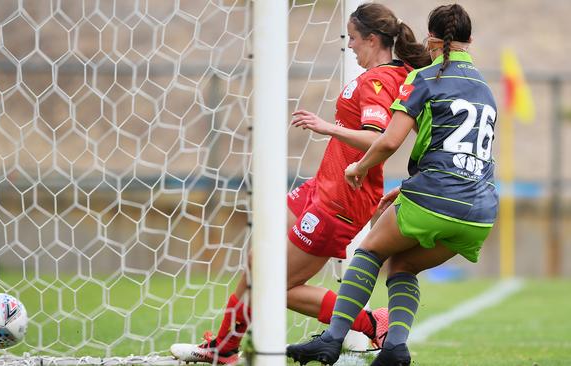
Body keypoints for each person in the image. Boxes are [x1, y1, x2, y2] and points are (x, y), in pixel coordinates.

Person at [170, 3, 431, 364]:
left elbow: (378, 139)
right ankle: (225, 348)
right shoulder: (386, 74)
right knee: (257, 260)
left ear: (372, 39)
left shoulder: (379, 80)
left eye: (354, 39)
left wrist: (327, 127)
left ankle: (372, 322)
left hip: (341, 199)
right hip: (321, 187)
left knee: (275, 286)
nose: (350, 46)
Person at [286, 4, 498, 366]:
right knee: (402, 266)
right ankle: (395, 348)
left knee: (369, 252)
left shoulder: (424, 78)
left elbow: (387, 141)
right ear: (471, 41)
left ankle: (333, 339)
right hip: (480, 209)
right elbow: (461, 153)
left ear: (432, 40)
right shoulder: (485, 89)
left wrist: (357, 168)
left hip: (436, 197)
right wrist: (413, 187)